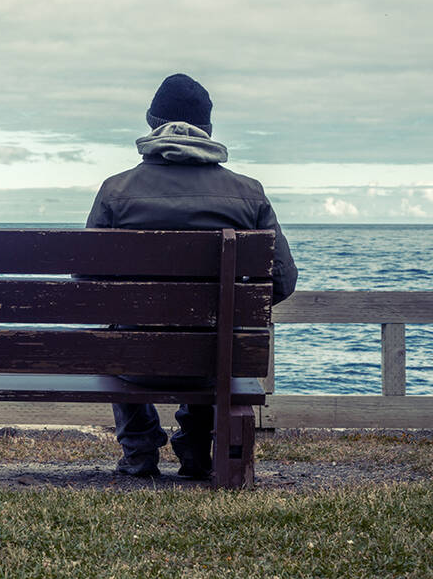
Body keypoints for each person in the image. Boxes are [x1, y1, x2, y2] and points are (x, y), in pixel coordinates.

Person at [85, 73, 298, 479]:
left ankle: (140, 450)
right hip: (215, 359)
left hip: (135, 359)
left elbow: (86, 279)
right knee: (213, 341)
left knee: (116, 335)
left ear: (151, 121)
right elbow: (283, 281)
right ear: (209, 130)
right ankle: (196, 450)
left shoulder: (115, 192)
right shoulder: (249, 194)